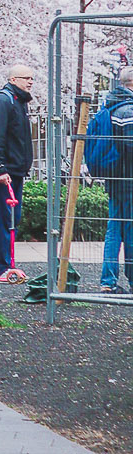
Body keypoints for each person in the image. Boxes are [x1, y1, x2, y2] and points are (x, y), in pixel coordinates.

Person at [0, 64, 35, 283]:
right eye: (26, 78)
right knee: (4, 218)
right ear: (14, 79)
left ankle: (6, 263)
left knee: (11, 218)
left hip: (15, 170)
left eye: (32, 78)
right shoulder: (4, 102)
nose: (30, 81)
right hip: (7, 172)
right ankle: (1, 266)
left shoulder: (17, 102)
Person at [99, 68, 133, 293]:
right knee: (129, 229)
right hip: (129, 177)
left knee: (114, 228)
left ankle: (108, 281)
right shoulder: (129, 110)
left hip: (115, 176)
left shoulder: (110, 105)